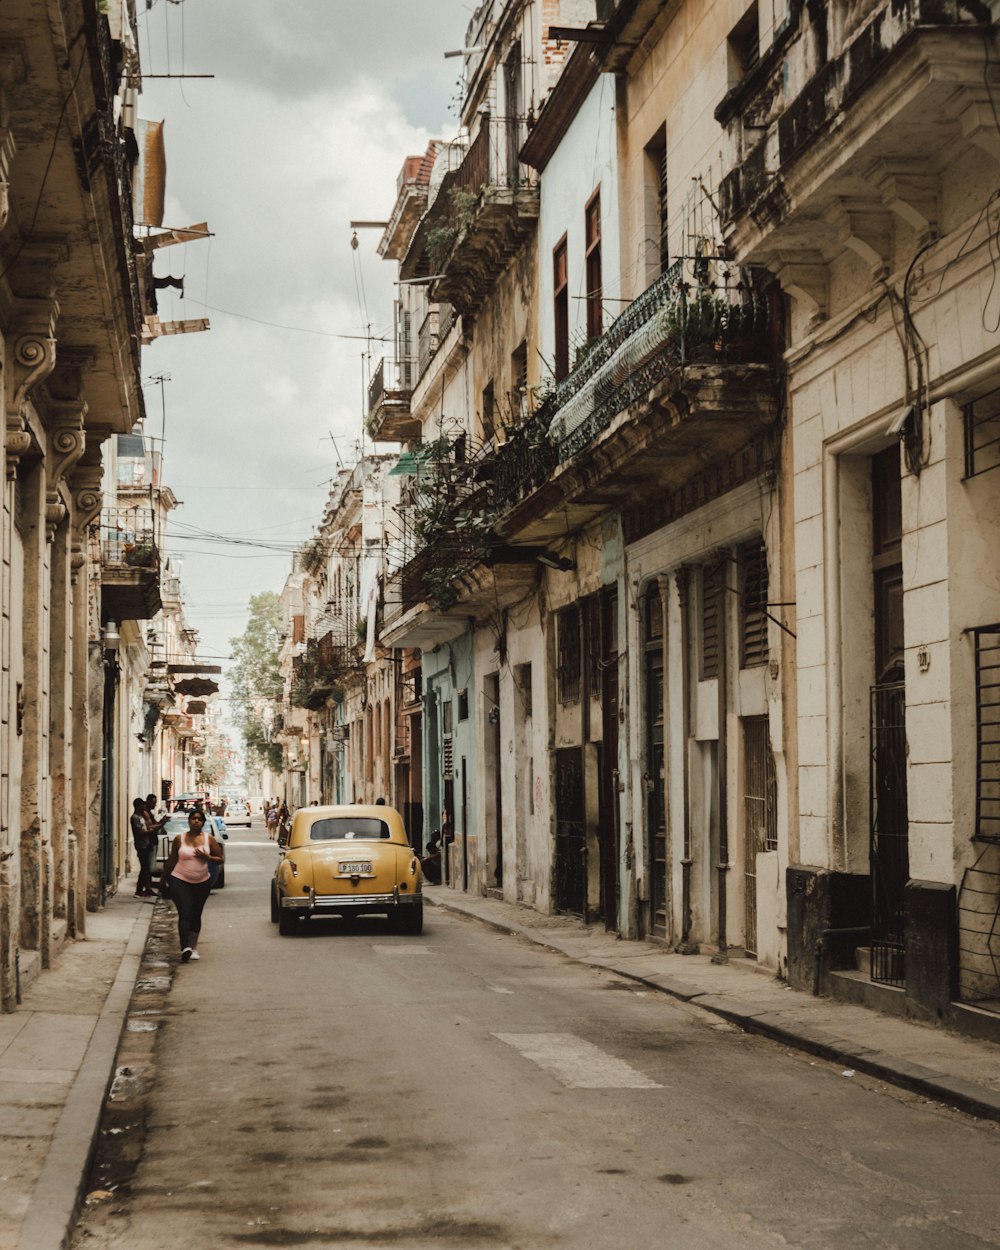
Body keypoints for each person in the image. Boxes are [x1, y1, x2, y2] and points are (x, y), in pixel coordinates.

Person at [161, 809, 223, 962]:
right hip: (180, 879)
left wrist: (208, 857)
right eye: (193, 818)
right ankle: (185, 947)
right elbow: (172, 860)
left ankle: (193, 947)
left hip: (202, 882)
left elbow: (220, 859)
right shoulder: (179, 839)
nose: (196, 821)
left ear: (203, 823)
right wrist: (163, 879)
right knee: (185, 912)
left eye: (199, 819)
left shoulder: (210, 839)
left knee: (196, 914)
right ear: (189, 821)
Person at [130, 798, 156, 898]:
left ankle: (145, 889)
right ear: (139, 806)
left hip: (146, 844)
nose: (145, 807)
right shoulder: (135, 818)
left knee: (145, 869)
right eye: (143, 805)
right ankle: (139, 890)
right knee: (144, 868)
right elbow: (139, 832)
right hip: (141, 845)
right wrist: (150, 831)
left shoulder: (141, 817)